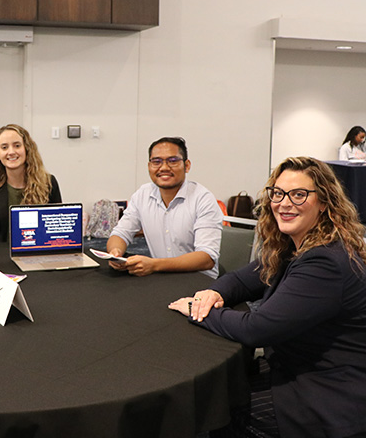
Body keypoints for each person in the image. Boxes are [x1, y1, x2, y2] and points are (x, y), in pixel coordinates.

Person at [169, 156, 366, 438]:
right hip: (297, 367)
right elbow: (240, 279)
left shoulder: (325, 261)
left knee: (220, 408)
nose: (285, 203)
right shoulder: (294, 245)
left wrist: (197, 310)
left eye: (299, 195)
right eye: (278, 193)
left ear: (324, 202)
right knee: (221, 387)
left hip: (328, 391)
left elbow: (257, 329)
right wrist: (211, 292)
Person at [106, 136, 223, 278]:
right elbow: (120, 233)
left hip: (199, 283)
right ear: (149, 166)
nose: (164, 168)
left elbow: (207, 258)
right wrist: (116, 252)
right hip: (162, 278)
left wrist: (154, 265)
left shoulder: (203, 199)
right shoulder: (143, 194)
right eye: (156, 162)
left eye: (173, 161)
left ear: (187, 165)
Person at [0, 124, 62, 241]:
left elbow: (58, 229)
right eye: (4, 147)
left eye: (17, 145)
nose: (11, 152)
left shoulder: (49, 183)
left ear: (27, 149)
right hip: (0, 254)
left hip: (38, 252)